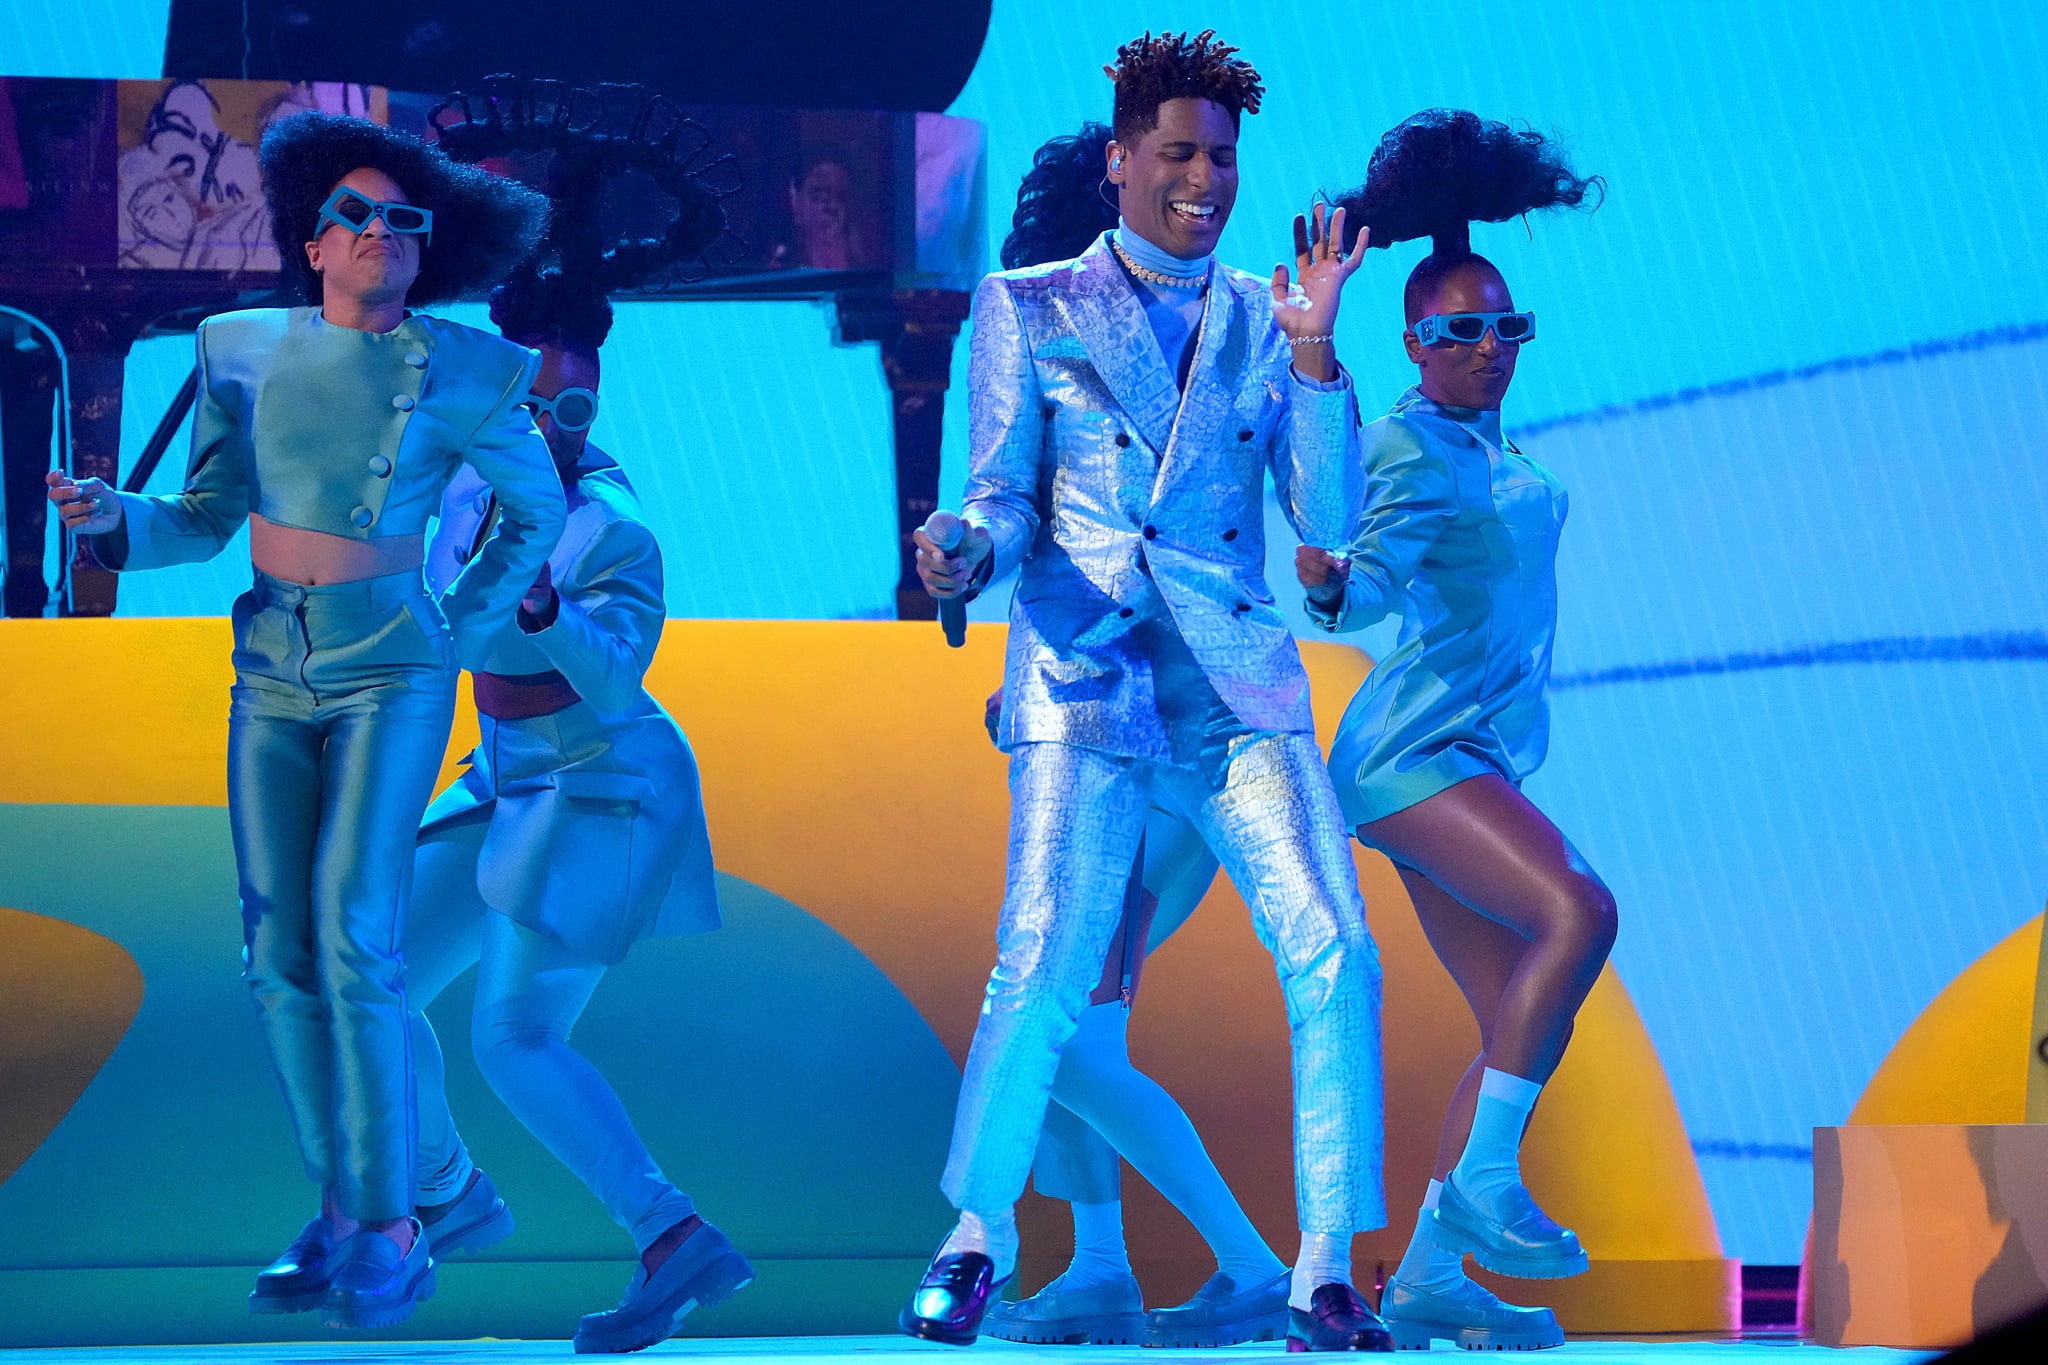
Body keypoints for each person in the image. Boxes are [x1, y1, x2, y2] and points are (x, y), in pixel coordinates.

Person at [903, 30, 1391, 1353]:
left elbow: (1329, 518)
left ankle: (1326, 1265)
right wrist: (962, 546)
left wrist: (1315, 354)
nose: (1203, 180)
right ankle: (976, 1237)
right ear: (1120, 158)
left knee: (1335, 947)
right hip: (1088, 671)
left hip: (1234, 680)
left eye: (1221, 158)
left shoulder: (1264, 313)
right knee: (1046, 958)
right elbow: (1002, 495)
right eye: (1178, 153)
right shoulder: (1033, 303)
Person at [46, 110, 562, 1329]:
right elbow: (204, 515)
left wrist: (460, 620)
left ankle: (390, 1225)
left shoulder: (474, 369)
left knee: (351, 938)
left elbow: (531, 515)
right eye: (356, 217)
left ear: (428, 250)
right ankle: (348, 1204)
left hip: (393, 663)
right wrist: (113, 516)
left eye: (405, 221)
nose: (381, 234)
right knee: (272, 952)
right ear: (311, 243)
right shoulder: (236, 349)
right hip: (270, 658)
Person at [1296, 108, 1608, 1353]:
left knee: (1518, 1025)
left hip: (1468, 752)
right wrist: (1327, 585)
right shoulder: (1408, 444)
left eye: (1504, 325)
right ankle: (1481, 1191)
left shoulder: (1489, 439)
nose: (1489, 346)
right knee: (1578, 915)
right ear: (1413, 342)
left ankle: (1426, 1274)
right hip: (1408, 753)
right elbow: (1367, 581)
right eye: (1458, 330)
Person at [976, 126, 1289, 1351]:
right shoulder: (1076, 331)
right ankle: (1101, 1265)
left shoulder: (1128, 335)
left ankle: (1249, 1260)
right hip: (1120, 742)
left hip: (1158, 760)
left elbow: (1146, 555)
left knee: (1054, 1026)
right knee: (1067, 1027)